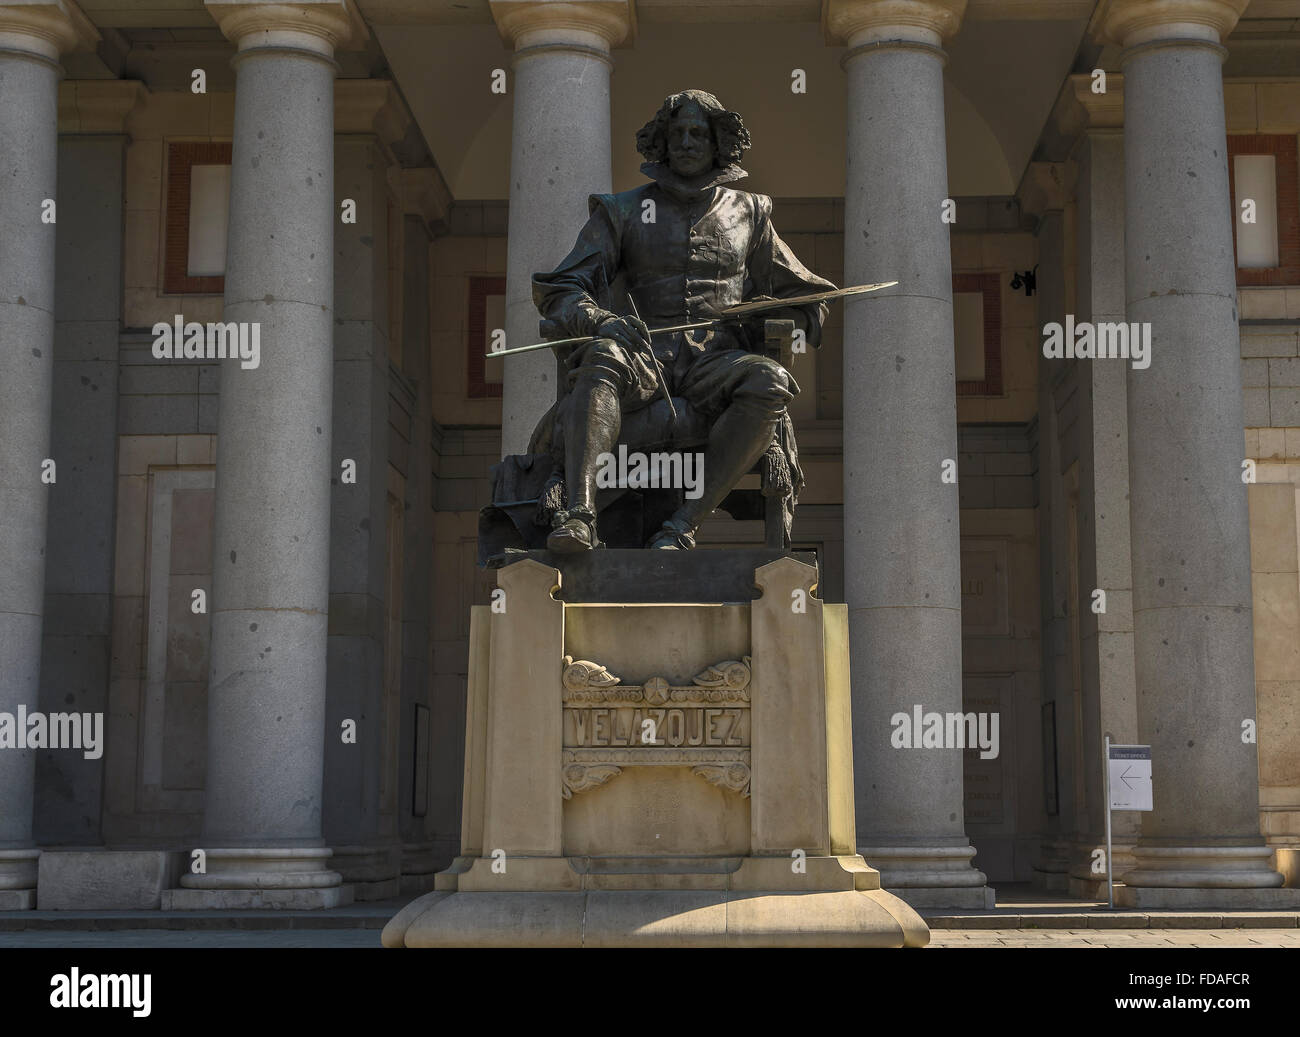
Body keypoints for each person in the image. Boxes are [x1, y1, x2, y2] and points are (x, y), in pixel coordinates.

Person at [532, 89, 835, 551]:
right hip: (642, 359)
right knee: (601, 355)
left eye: (698, 133)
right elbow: (561, 290)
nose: (687, 142)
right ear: (662, 142)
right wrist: (599, 320)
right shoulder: (622, 210)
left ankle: (683, 525)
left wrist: (780, 315)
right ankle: (579, 517)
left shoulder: (751, 213)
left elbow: (807, 294)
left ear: (718, 143)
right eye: (677, 133)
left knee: (770, 381)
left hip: (716, 365)